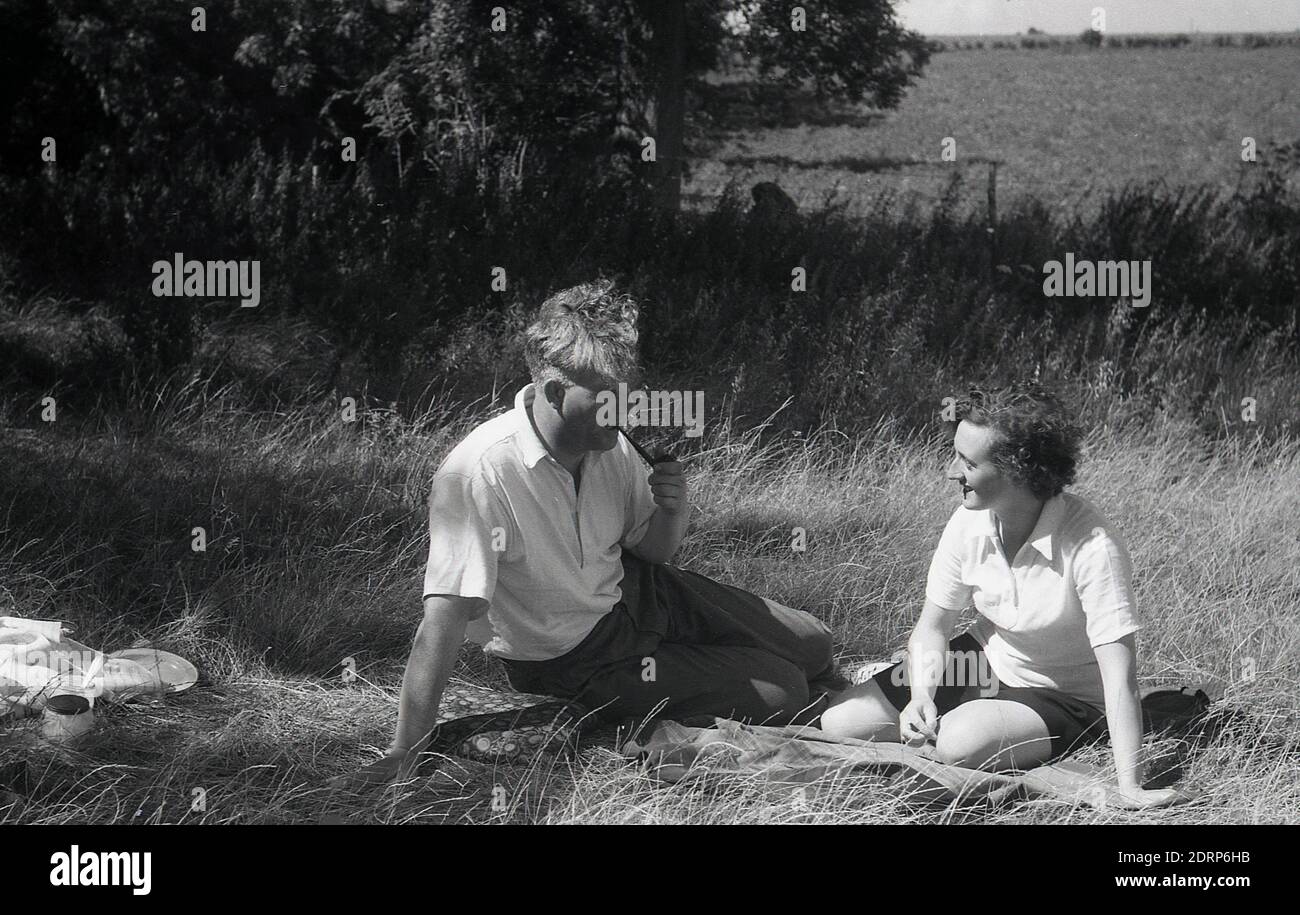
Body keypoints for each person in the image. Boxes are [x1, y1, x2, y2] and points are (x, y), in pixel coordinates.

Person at [335, 280, 837, 788]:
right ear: (556, 393)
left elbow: (654, 552)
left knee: (815, 643)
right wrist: (405, 749)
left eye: (631, 395)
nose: (629, 412)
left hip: (645, 593)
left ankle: (722, 678)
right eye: (611, 400)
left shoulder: (609, 444)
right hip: (575, 661)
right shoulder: (479, 476)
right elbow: (442, 623)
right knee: (788, 690)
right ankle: (601, 720)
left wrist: (672, 509)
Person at [820, 385, 1180, 808]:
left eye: (968, 462)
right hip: (987, 661)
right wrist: (921, 695)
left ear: (1017, 472)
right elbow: (934, 626)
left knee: (958, 744)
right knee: (841, 723)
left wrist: (1129, 786)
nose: (951, 471)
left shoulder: (1092, 546)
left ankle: (992, 726)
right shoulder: (967, 522)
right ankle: (954, 710)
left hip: (1064, 694)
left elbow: (1120, 677)